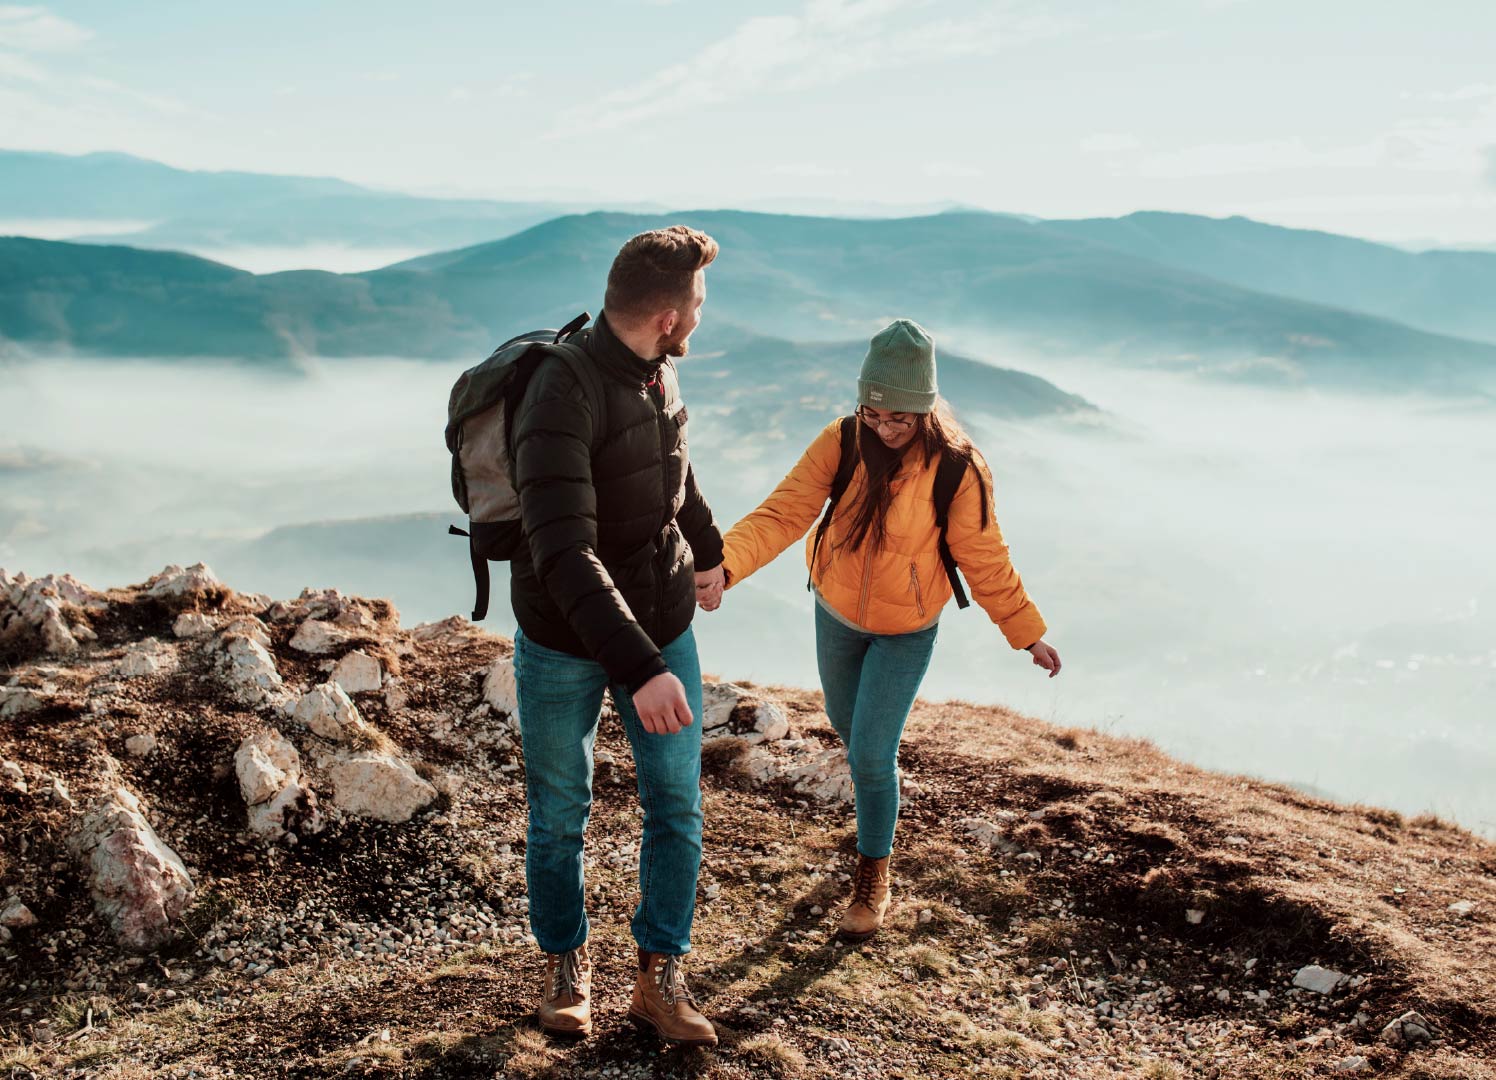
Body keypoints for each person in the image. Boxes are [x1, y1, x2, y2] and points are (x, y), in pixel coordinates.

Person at [704, 318, 1061, 943]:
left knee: (870, 753)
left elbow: (984, 555)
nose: (886, 428)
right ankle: (877, 812)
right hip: (835, 612)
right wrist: (725, 565)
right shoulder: (841, 441)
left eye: (901, 418)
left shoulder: (956, 468)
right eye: (874, 413)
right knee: (851, 731)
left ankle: (873, 876)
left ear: (925, 409)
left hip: (906, 629)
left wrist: (1025, 630)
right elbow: (784, 511)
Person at [510, 225, 724, 1045]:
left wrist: (706, 555)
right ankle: (566, 965)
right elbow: (562, 551)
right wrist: (641, 669)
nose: (703, 315)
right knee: (561, 811)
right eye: (699, 302)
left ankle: (659, 977)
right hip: (567, 638)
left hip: (663, 622)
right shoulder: (562, 393)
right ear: (669, 315)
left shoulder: (656, 371)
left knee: (676, 805)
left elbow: (673, 469)